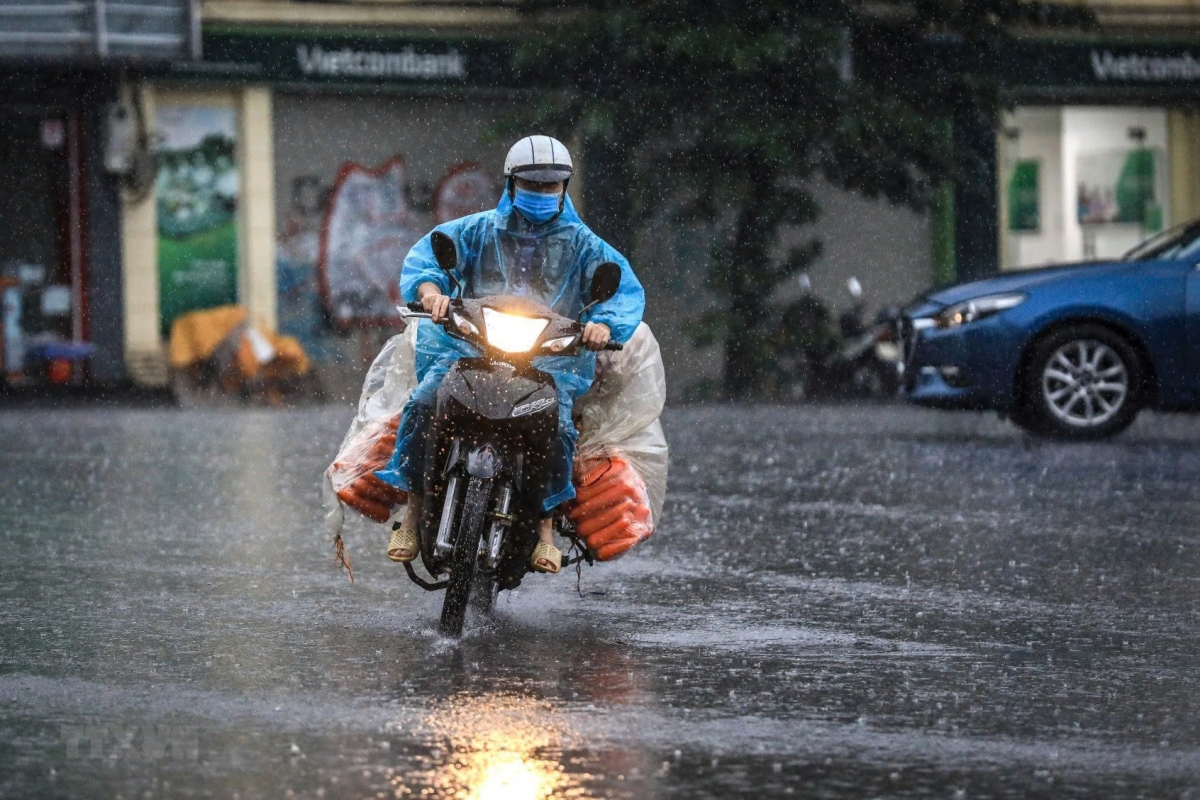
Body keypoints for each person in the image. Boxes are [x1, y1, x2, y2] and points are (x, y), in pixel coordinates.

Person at [375, 135, 645, 574]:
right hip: (469, 346)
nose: (541, 194)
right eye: (531, 185)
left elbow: (623, 294)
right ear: (510, 184)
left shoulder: (586, 245)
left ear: (564, 187)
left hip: (550, 360)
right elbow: (428, 259)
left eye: (551, 186)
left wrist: (603, 326)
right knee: (424, 403)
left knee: (557, 427)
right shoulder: (477, 229)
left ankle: (544, 531)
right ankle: (411, 513)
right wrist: (431, 294)